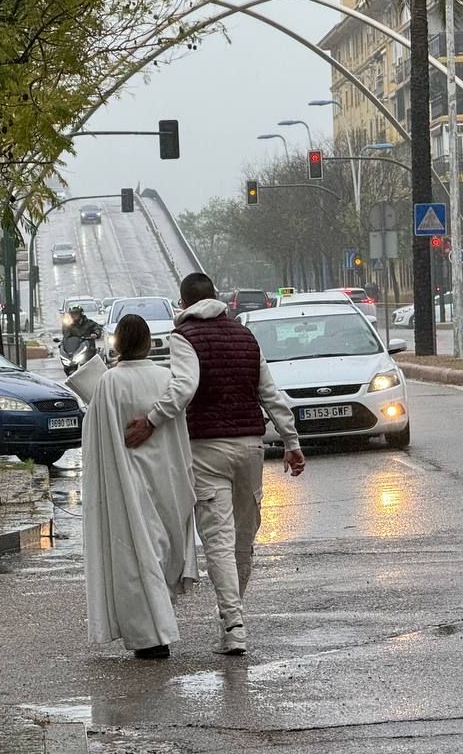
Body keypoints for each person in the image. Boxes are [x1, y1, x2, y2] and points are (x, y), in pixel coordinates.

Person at [125, 272, 305, 656]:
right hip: (251, 448)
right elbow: (270, 394)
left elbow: (184, 387)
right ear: (218, 297)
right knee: (244, 538)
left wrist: (151, 421)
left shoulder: (184, 336)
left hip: (207, 451)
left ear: (183, 303)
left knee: (218, 541)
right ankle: (232, 618)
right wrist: (291, 443)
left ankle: (234, 625)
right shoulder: (245, 336)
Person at [82, 314, 199, 659]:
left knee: (136, 554)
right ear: (149, 343)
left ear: (118, 343)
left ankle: (151, 633)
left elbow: (97, 434)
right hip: (166, 478)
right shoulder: (167, 379)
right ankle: (157, 628)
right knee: (161, 551)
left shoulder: (109, 383)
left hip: (127, 482)